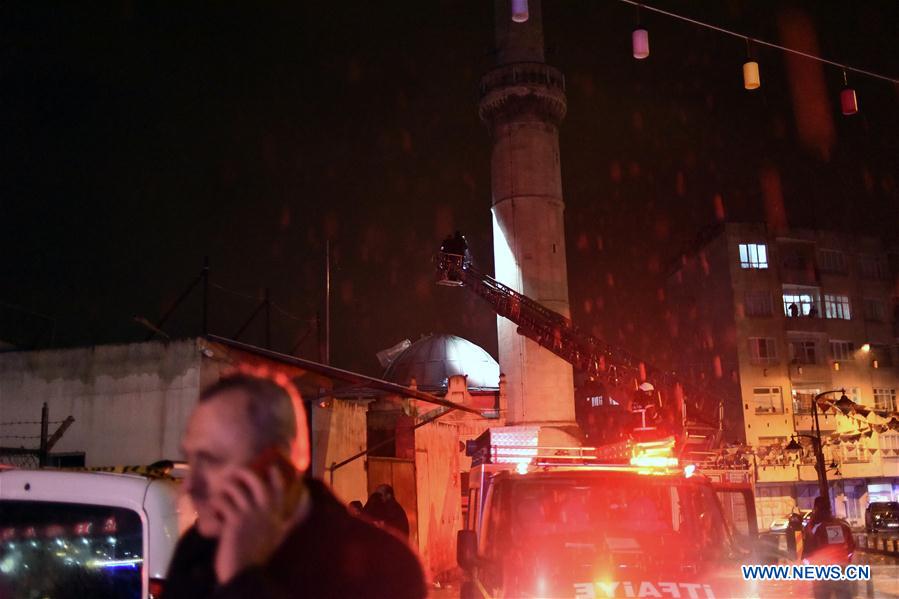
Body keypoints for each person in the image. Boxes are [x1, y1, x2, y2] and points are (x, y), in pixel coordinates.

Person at [164, 370, 428, 599]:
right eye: (191, 458)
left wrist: (241, 580)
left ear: (275, 465)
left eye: (210, 461)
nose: (189, 486)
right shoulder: (196, 552)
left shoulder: (384, 565)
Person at [801, 496, 855, 599]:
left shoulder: (814, 527)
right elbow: (851, 547)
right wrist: (846, 560)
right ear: (830, 508)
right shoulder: (843, 525)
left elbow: (808, 550)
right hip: (841, 568)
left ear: (816, 509)